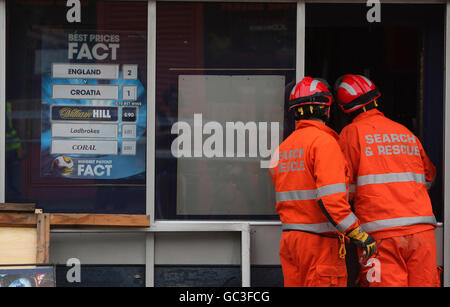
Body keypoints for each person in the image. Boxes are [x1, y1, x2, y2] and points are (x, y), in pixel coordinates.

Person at [269, 76, 376, 287]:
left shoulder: (283, 149)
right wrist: (358, 234)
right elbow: (332, 201)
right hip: (320, 245)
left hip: (291, 243)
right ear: (325, 108)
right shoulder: (324, 143)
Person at [335, 74, 440, 287]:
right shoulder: (405, 132)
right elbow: (429, 177)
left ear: (344, 108)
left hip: (380, 235)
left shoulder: (350, 134)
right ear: (376, 98)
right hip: (422, 232)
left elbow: (341, 189)